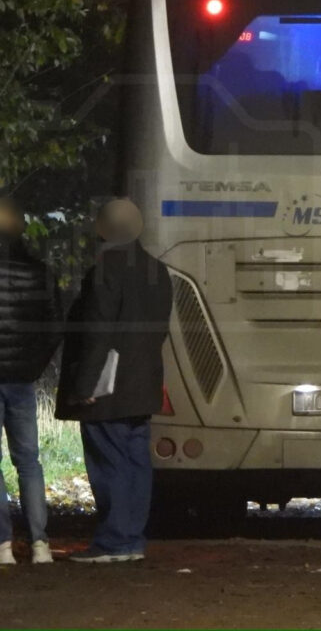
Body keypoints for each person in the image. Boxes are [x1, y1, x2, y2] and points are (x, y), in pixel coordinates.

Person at [56, 198, 172, 563]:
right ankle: (132, 539)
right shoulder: (158, 270)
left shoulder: (106, 270)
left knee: (110, 464)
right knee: (136, 464)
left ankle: (114, 541)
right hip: (143, 382)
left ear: (104, 229)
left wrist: (85, 385)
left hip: (109, 387)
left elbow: (97, 332)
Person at [0, 197, 61, 565]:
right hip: (22, 379)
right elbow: (53, 326)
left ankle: (3, 546)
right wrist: (34, 366)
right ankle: (40, 544)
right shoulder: (39, 272)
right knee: (29, 462)